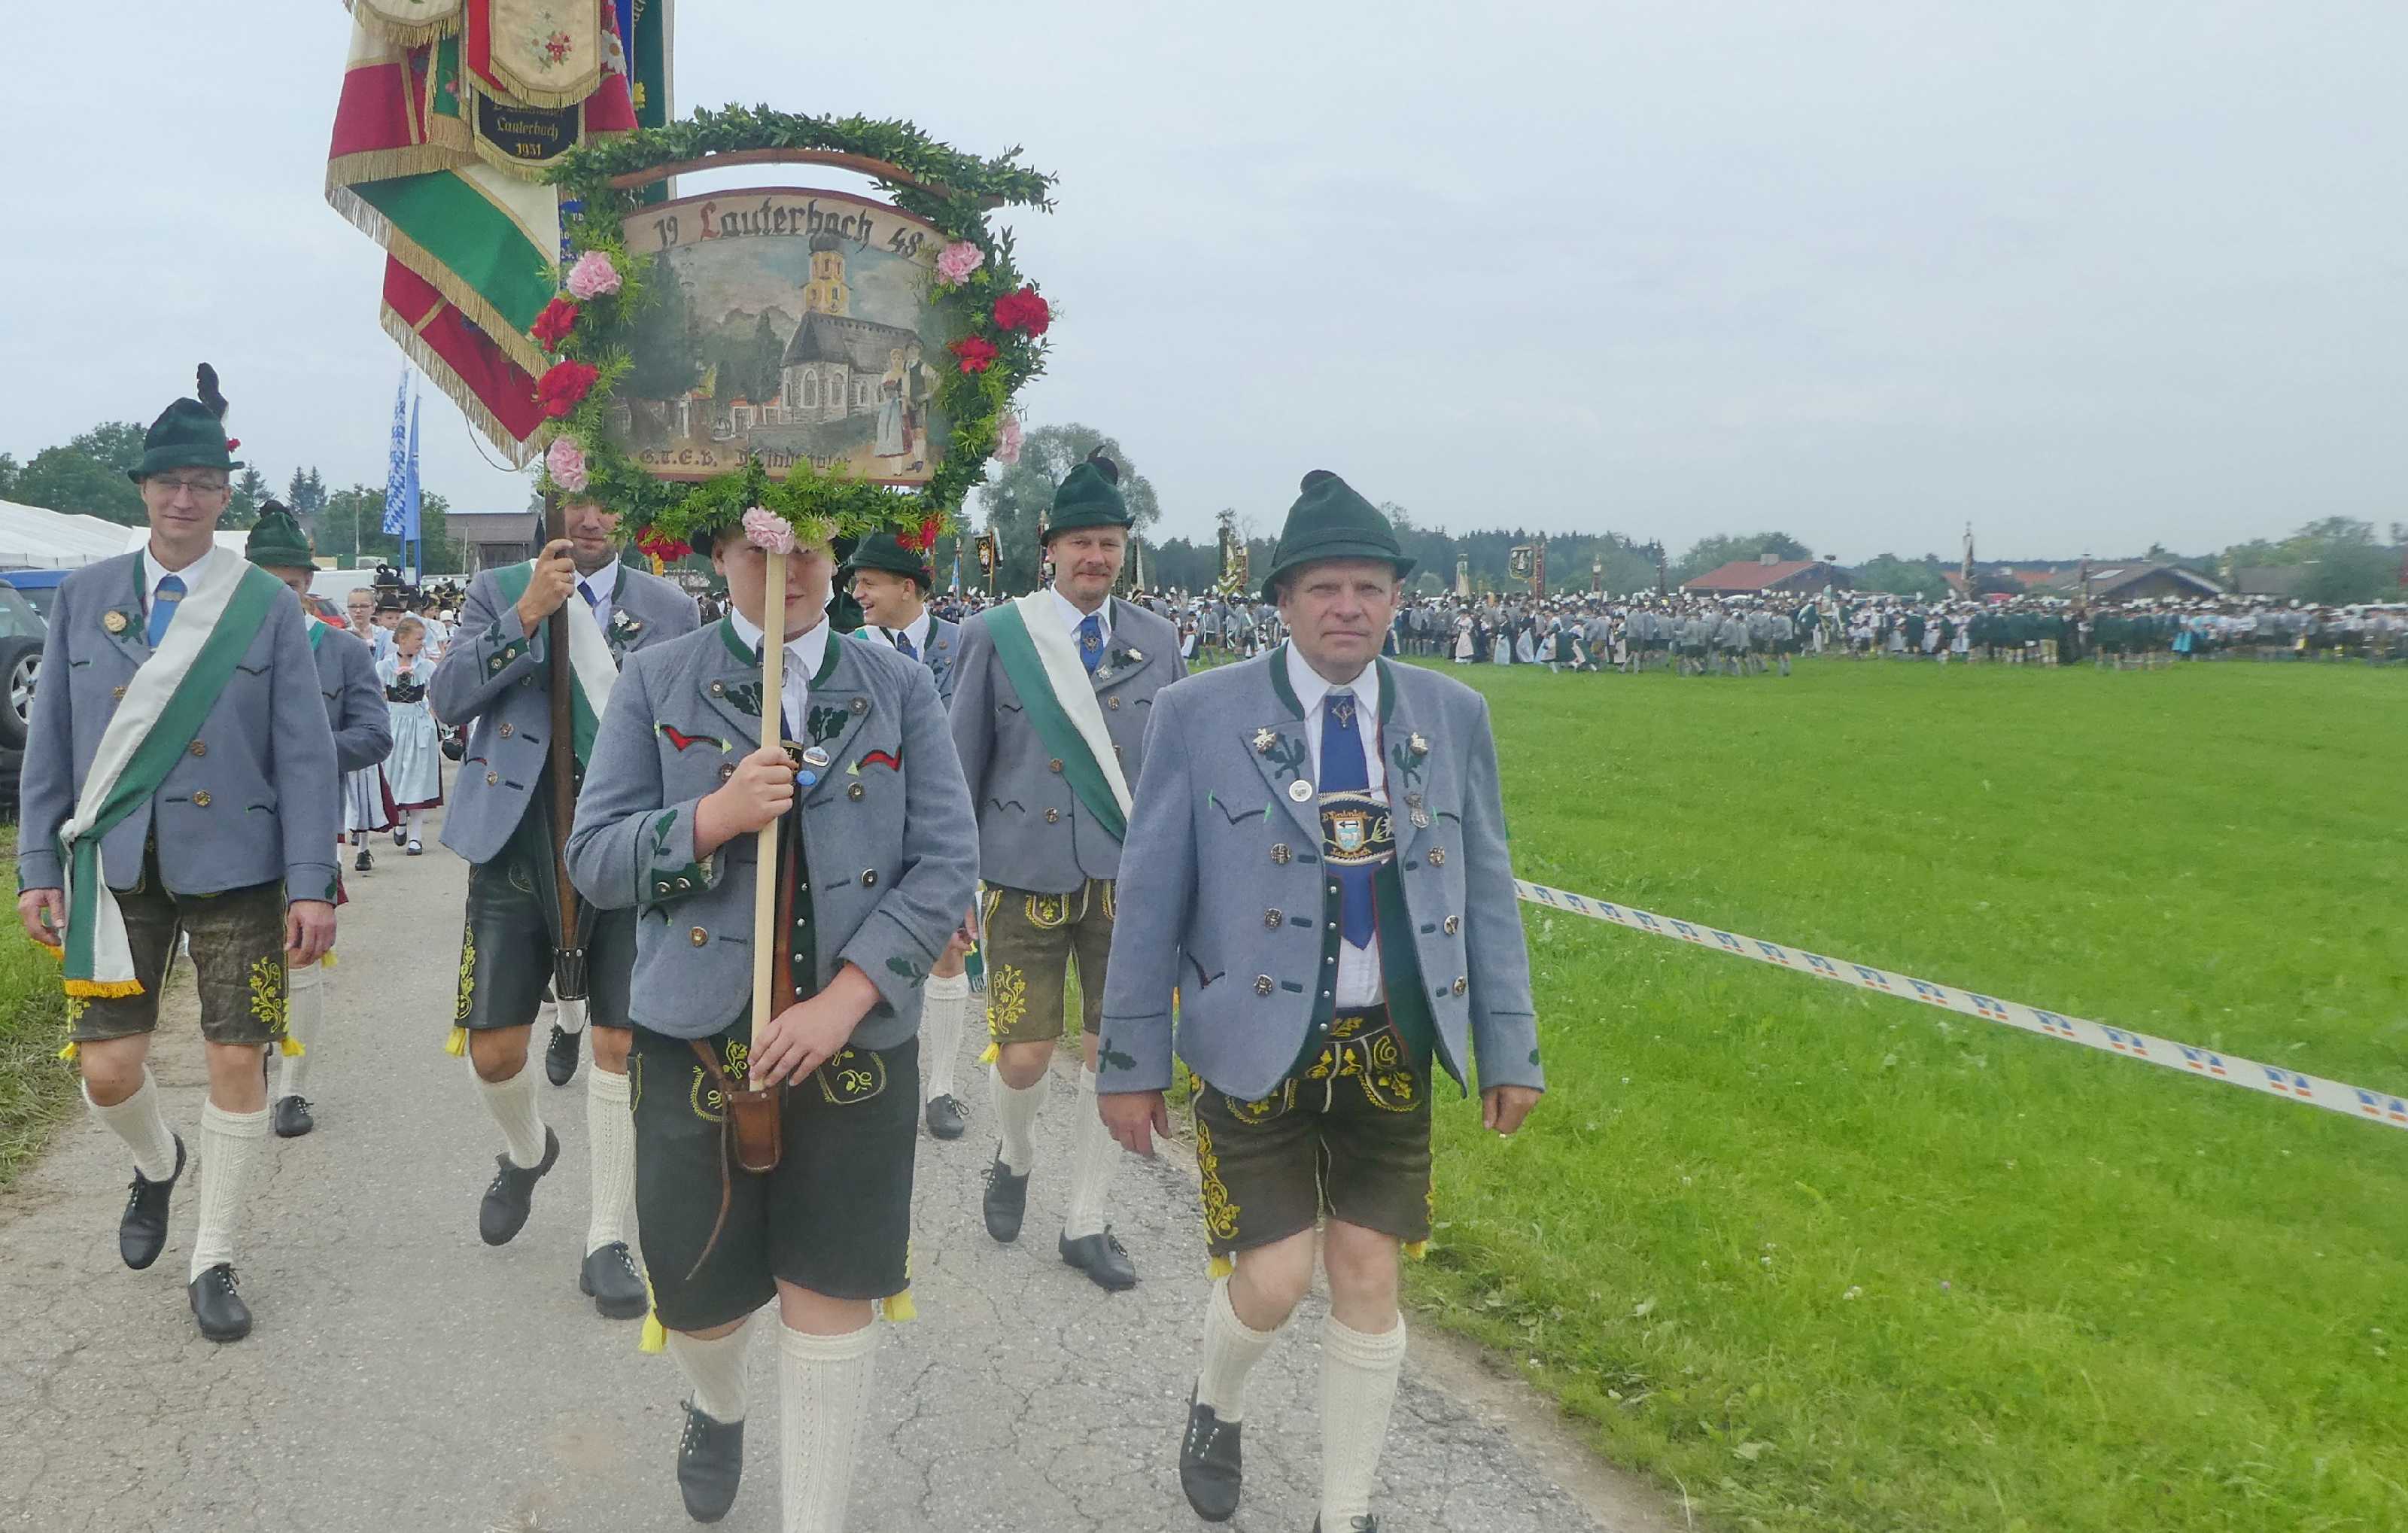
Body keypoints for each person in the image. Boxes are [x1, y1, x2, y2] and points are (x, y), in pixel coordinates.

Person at [1095, 472, 1543, 1531]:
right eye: (1326, 588)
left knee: (1367, 1274)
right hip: (1252, 1041)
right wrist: (1130, 1063)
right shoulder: (1199, 714)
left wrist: (1509, 1045)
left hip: (1389, 1045)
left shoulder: (1452, 715)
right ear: (1284, 603)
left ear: (1396, 600)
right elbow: (1149, 897)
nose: (1349, 607)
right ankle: (1217, 1401)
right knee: (1274, 1279)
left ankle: (1344, 1513)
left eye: (1369, 588)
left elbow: (1485, 887)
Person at [565, 509, 975, 1531]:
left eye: (809, 548)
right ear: (717, 555)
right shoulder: (658, 679)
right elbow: (596, 859)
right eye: (759, 547)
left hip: (853, 1044)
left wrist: (847, 997)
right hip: (694, 1040)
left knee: (830, 1295)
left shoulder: (898, 685)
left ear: (837, 559)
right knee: (699, 1307)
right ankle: (716, 1402)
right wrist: (712, 818)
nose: (785, 567)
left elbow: (945, 862)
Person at [15, 369, 340, 1342]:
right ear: (144, 490)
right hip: (113, 869)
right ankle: (158, 1164)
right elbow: (51, 744)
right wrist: (36, 867)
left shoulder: (265, 606)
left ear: (224, 495)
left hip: (239, 863)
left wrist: (313, 882)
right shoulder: (85, 597)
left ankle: (216, 1254)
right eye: (168, 482)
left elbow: (305, 754)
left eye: (202, 483)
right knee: (108, 1070)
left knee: (237, 1055)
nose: (184, 498)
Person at [428, 498, 698, 1322]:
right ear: (553, 499)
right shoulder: (501, 588)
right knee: (493, 1052)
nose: (592, 518)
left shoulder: (671, 608)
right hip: (516, 843)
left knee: (620, 1044)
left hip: (624, 848)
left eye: (609, 501)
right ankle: (527, 1149)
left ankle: (607, 1236)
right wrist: (525, 616)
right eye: (578, 500)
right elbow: (448, 699)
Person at [949, 452, 1183, 1290]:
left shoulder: (1157, 641)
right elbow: (958, 765)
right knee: (1022, 1056)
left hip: (1128, 882)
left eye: (1110, 543)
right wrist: (951, 881)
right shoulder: (995, 635)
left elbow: (1176, 772)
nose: (1096, 557)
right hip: (1022, 874)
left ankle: (1086, 1218)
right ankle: (1013, 1154)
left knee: (1113, 1052)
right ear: (1048, 548)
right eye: (1081, 542)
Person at [244, 502, 392, 1140]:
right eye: (265, 581)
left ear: (307, 584)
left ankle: (292, 1088)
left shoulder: (341, 651)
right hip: (227, 823)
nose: (278, 594)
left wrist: (305, 749)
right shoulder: (215, 644)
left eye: (289, 582)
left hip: (306, 821)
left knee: (300, 951)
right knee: (234, 950)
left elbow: (375, 735)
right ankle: (249, 1053)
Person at [844, 531, 976, 1140]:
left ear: (908, 587)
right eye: (855, 582)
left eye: (868, 582)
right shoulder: (849, 651)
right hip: (870, 822)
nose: (857, 592)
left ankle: (941, 1086)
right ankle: (866, 1068)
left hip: (946, 819)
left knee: (949, 946)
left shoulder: (964, 644)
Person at [380, 616, 445, 853]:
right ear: (403, 638)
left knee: (418, 777)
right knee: (394, 775)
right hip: (394, 723)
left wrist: (435, 721)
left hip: (419, 725)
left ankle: (416, 837)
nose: (422, 643)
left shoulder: (427, 667)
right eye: (418, 639)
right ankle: (399, 819)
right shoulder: (384, 667)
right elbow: (377, 696)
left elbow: (436, 695)